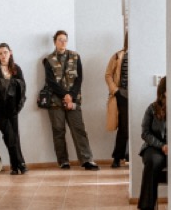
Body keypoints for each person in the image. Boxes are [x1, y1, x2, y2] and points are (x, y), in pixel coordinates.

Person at [43, 30, 96, 170]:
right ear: (55, 41)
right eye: (60, 39)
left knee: (79, 129)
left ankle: (87, 160)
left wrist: (71, 95)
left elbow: (79, 78)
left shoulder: (75, 56)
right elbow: (50, 82)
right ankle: (63, 161)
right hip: (55, 102)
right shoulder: (48, 60)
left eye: (65, 40)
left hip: (73, 100)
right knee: (58, 131)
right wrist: (64, 95)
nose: (63, 42)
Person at [0, 43, 29, 174]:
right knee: (10, 134)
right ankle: (20, 163)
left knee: (14, 135)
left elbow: (22, 86)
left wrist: (3, 83)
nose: (3, 55)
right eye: (0, 53)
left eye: (5, 52)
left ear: (10, 52)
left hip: (13, 106)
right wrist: (11, 84)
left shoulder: (16, 68)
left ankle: (15, 167)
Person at [137, 77, 168, 210]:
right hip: (154, 147)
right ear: (163, 91)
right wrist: (162, 145)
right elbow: (145, 133)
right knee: (153, 162)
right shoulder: (152, 108)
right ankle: (145, 209)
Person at [105, 41, 130, 168]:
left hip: (138, 95)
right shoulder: (118, 55)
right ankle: (117, 157)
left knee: (138, 126)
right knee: (124, 127)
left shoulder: (142, 54)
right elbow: (108, 74)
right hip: (123, 95)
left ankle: (130, 156)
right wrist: (115, 90)